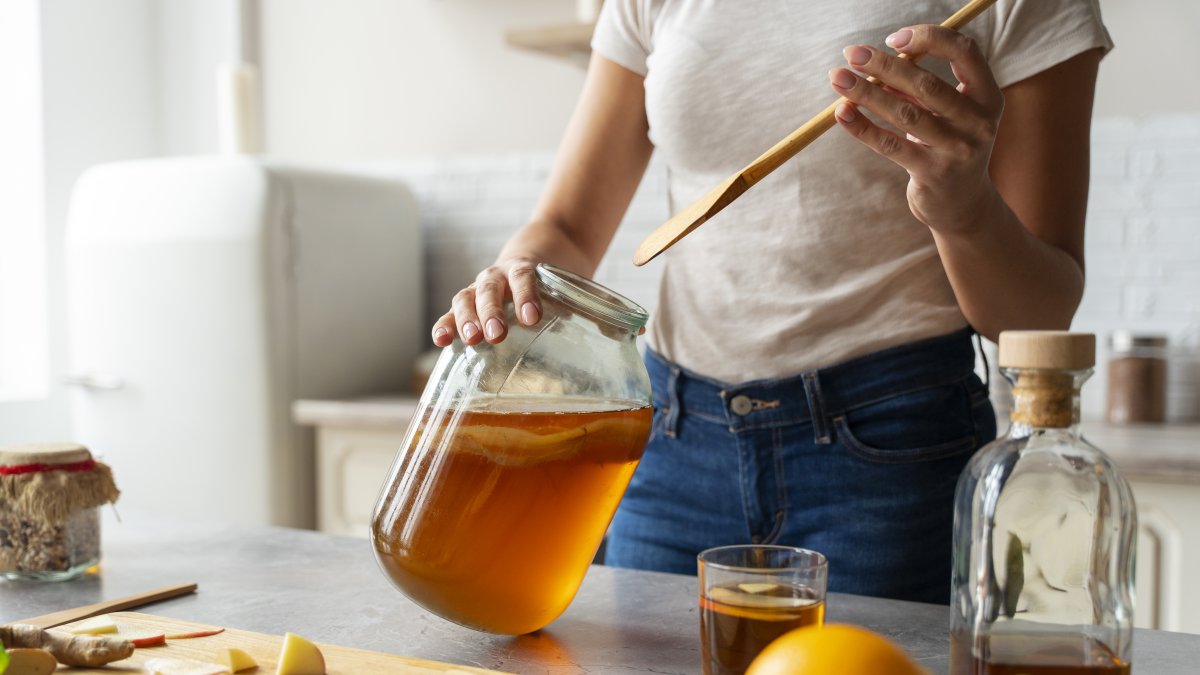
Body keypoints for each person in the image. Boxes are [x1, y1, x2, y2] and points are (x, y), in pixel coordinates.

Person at [430, 0, 1112, 604]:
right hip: (670, 442)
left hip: (890, 450)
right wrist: (520, 268)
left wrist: (966, 212)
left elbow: (1036, 320)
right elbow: (570, 228)